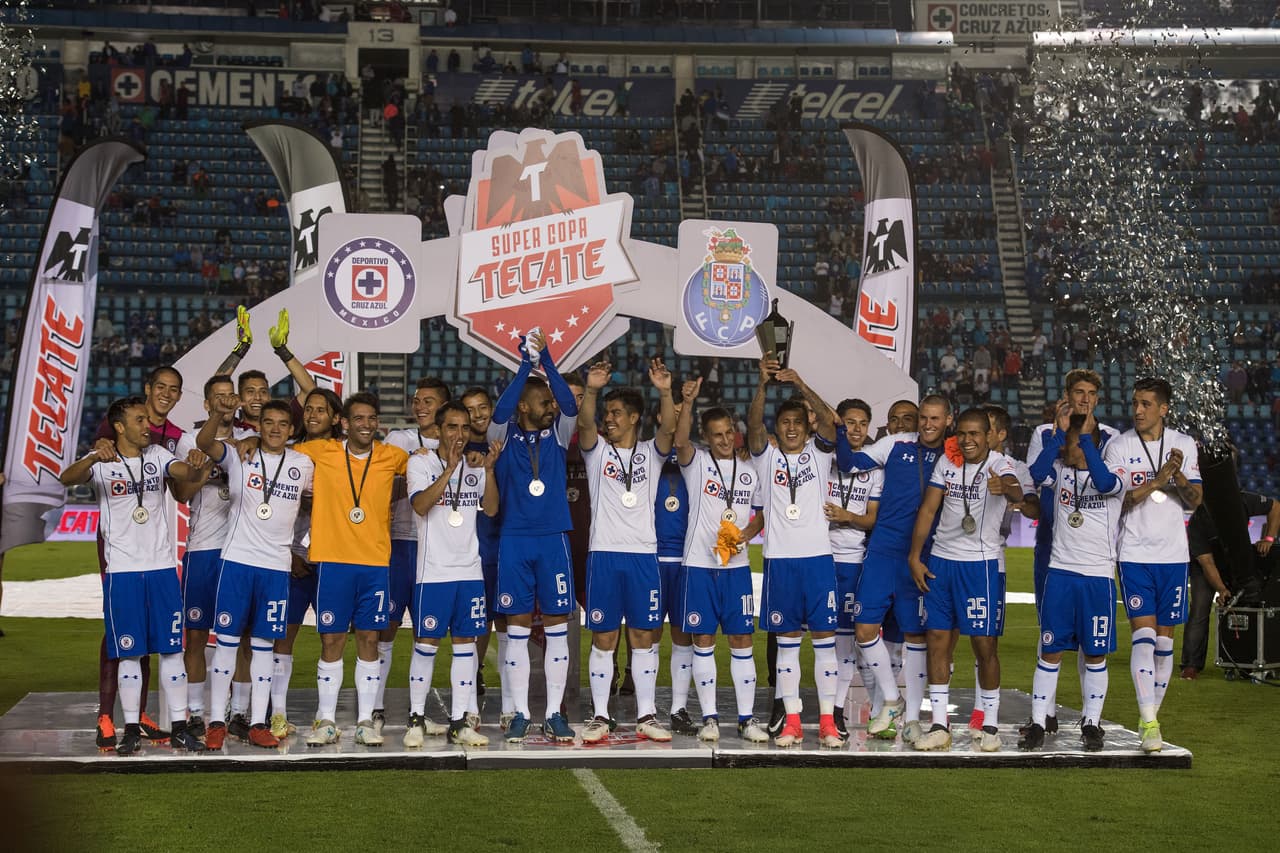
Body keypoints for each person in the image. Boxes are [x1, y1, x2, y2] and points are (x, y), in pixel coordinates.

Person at [60, 396, 210, 756]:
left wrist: (193, 465)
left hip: (160, 569)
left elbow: (183, 474)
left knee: (172, 651)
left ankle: (178, 727)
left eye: (147, 420)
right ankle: (130, 729)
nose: (148, 426)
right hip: (123, 572)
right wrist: (95, 455)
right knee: (129, 655)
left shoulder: (157, 456)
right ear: (119, 427)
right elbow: (67, 478)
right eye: (140, 420)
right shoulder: (101, 462)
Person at [288, 392, 409, 746]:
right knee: (332, 639)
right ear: (343, 423)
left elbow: (422, 462)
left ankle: (365, 720)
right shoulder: (320, 451)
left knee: (370, 638)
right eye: (359, 418)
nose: (366, 425)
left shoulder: (392, 457)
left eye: (372, 418)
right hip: (333, 561)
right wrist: (248, 441)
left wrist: (422, 454)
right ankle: (326, 719)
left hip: (374, 563)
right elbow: (276, 449)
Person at [196, 397, 314, 749]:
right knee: (228, 644)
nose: (275, 429)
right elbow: (204, 444)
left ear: (292, 430)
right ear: (258, 427)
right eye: (269, 423)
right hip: (237, 562)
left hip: (276, 568)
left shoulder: (302, 463)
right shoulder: (239, 455)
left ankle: (259, 723)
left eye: (282, 424)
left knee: (264, 646)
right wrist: (219, 415)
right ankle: (216, 720)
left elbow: (318, 501)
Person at [838, 395, 952, 744]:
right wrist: (839, 427)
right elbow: (848, 461)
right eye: (924, 419)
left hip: (923, 557)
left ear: (947, 420)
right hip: (883, 550)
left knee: (915, 638)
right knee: (864, 629)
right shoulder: (896, 444)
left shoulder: (954, 454)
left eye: (933, 418)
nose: (927, 424)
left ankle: (914, 719)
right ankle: (892, 698)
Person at [907, 408, 1022, 752]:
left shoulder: (1000, 464)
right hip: (942, 560)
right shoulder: (947, 461)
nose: (969, 440)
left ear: (990, 435)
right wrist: (915, 556)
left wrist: (1006, 487)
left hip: (982, 565)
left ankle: (989, 725)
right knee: (938, 638)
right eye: (964, 434)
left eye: (976, 434)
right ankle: (940, 724)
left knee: (985, 645)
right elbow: (928, 509)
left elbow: (1017, 492)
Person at [577, 356, 677, 743]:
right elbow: (585, 423)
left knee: (643, 636)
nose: (609, 419)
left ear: (635, 417)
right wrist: (592, 389)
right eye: (608, 413)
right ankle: (600, 715)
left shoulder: (652, 453)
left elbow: (669, 428)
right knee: (604, 637)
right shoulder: (596, 452)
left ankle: (646, 715)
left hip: (642, 556)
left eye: (617, 413)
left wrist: (665, 391)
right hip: (603, 554)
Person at [1022, 408, 1134, 752]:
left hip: (1098, 576)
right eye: (1067, 445)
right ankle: (1039, 722)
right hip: (1060, 573)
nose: (1066, 451)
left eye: (1072, 445)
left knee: (1096, 654)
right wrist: (1057, 438)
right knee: (1051, 649)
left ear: (1090, 445)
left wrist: (1085, 439)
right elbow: (1036, 471)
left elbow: (1103, 483)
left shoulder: (1116, 473)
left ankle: (1092, 722)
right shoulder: (1058, 472)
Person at [486, 330, 579, 743]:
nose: (552, 407)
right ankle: (522, 712)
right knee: (518, 627)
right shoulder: (502, 439)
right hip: (515, 539)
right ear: (524, 405)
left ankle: (555, 713)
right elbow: (498, 417)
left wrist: (549, 363)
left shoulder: (558, 434)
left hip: (553, 538)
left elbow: (572, 405)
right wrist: (525, 367)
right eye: (543, 402)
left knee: (558, 625)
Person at [89, 364, 187, 749]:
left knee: (154, 633)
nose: (166, 394)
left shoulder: (172, 438)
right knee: (120, 630)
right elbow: (94, 467)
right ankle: (106, 713)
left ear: (179, 396)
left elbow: (181, 493)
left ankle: (140, 713)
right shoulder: (121, 421)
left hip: (154, 550)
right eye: (160, 387)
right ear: (148, 389)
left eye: (174, 389)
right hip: (119, 547)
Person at [748, 357, 843, 748]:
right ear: (777, 428)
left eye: (797, 424)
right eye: (784, 423)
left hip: (818, 560)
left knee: (824, 642)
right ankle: (790, 721)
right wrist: (763, 385)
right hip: (780, 562)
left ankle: (826, 722)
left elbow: (832, 422)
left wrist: (800, 382)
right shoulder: (765, 456)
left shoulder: (820, 456)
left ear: (807, 429)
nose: (790, 428)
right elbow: (753, 426)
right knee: (786, 645)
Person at [1104, 378, 1202, 753]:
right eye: (1135, 403)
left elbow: (1195, 500)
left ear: (1163, 409)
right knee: (1143, 638)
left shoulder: (1184, 445)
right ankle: (1148, 722)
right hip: (1134, 554)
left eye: (1146, 404)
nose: (1138, 410)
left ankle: (1151, 721)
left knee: (1164, 644)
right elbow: (1119, 500)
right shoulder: (1120, 446)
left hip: (1173, 555)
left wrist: (1176, 475)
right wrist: (1158, 479)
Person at [672, 377, 768, 742]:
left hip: (737, 568)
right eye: (717, 435)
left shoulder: (749, 470)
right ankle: (710, 717)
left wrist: (749, 532)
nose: (725, 440)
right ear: (707, 437)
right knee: (703, 640)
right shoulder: (695, 463)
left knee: (742, 640)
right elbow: (679, 441)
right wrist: (689, 401)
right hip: (699, 565)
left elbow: (761, 513)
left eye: (729, 433)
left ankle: (746, 719)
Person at [403, 402, 500, 747]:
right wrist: (449, 470)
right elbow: (420, 505)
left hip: (469, 571)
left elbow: (490, 508)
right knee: (426, 645)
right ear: (438, 430)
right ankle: (416, 717)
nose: (459, 435)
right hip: (434, 572)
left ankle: (460, 720)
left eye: (464, 429)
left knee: (466, 646)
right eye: (451, 428)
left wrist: (487, 471)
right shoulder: (420, 462)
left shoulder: (475, 466)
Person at [378, 377, 451, 736]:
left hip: (434, 548)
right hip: (398, 544)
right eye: (416, 400)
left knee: (428, 634)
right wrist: (409, 466)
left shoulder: (456, 443)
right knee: (385, 630)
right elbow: (379, 487)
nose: (420, 406)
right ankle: (375, 707)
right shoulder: (399, 441)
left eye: (429, 401)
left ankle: (417, 710)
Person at [269, 387, 344, 738]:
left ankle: (324, 716)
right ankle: (278, 715)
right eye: (309, 409)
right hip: (295, 557)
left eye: (321, 410)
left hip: (332, 556)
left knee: (333, 637)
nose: (313, 415)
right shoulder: (290, 452)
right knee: (283, 636)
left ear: (335, 418)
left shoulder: (345, 453)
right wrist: (290, 553)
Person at [173, 374, 238, 739]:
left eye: (230, 397)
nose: (225, 403)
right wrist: (204, 471)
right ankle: (195, 712)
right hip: (202, 549)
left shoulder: (249, 440)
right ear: (207, 404)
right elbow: (181, 493)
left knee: (239, 637)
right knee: (196, 636)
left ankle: (233, 708)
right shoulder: (188, 441)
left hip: (241, 551)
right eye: (218, 398)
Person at [828, 399, 882, 741]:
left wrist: (847, 517)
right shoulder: (825, 459)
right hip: (816, 557)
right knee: (798, 637)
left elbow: (872, 519)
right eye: (850, 422)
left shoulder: (875, 469)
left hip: (852, 562)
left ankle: (835, 710)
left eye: (863, 423)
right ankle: (784, 705)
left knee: (845, 642)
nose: (857, 429)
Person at [1181, 490, 1275, 678]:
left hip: (1235, 559)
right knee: (1200, 607)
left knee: (1250, 601)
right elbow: (1207, 563)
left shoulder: (1243, 500)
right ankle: (1191, 664)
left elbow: (1276, 507)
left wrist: (1269, 538)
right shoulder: (1197, 523)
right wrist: (1221, 589)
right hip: (1204, 565)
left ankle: (1247, 660)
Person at [657, 388, 695, 736]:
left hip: (686, 559)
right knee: (647, 635)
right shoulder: (644, 457)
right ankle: (645, 709)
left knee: (683, 636)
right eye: (674, 412)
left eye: (686, 413)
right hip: (651, 558)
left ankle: (678, 707)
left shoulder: (697, 460)